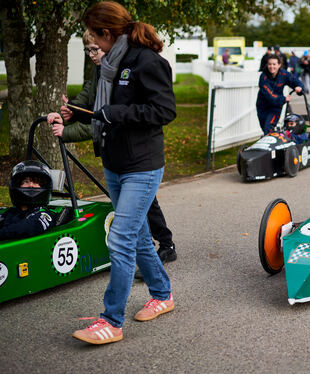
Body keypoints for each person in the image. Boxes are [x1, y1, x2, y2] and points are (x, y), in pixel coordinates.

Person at [68, 1, 177, 345]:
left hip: (141, 166)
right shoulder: (109, 65)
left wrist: (117, 113)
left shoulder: (145, 61)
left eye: (94, 39)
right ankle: (163, 294)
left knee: (121, 238)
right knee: (140, 237)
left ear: (108, 33)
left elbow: (164, 110)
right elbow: (102, 109)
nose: (92, 46)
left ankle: (111, 320)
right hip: (113, 162)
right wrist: (76, 115)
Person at [50, 31, 177, 278]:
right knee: (140, 216)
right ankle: (158, 281)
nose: (92, 55)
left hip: (139, 156)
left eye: (95, 49)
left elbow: (111, 115)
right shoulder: (100, 71)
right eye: (88, 51)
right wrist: (72, 111)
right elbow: (91, 105)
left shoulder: (134, 67)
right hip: (115, 154)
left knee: (127, 227)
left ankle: (163, 249)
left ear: (110, 44)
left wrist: (69, 131)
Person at [0, 161, 56, 241]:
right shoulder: (10, 212)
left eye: (36, 182)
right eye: (26, 182)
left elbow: (28, 227)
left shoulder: (45, 214)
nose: (31, 185)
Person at [256, 55, 304, 134]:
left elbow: (295, 81)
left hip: (275, 107)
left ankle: (270, 144)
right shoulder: (263, 77)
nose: (272, 66)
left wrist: (299, 87)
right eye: (270, 64)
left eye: (274, 64)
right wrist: (283, 99)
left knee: (268, 127)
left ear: (279, 65)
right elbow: (270, 95)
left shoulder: (284, 74)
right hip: (262, 106)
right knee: (265, 128)